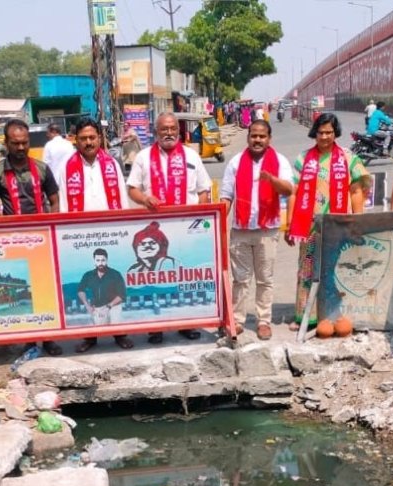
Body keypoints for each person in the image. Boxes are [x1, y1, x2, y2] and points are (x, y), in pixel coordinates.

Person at [126, 111, 211, 344]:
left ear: (178, 130)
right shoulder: (143, 157)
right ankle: (156, 326)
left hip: (186, 230)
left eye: (173, 128)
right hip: (157, 231)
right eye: (164, 129)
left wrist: (198, 220)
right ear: (156, 132)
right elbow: (131, 188)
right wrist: (144, 199)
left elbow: (204, 190)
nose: (169, 133)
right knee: (156, 276)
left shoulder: (192, 156)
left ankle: (187, 323)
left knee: (183, 275)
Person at [284, 112, 370, 329]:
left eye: (329, 133)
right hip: (310, 225)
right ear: (315, 132)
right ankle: (305, 316)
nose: (325, 137)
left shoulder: (349, 158)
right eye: (321, 132)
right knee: (307, 269)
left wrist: (358, 221)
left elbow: (357, 190)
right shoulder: (303, 158)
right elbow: (293, 192)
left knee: (337, 269)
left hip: (338, 225)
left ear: (335, 133)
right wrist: (289, 224)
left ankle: (335, 315)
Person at [0, 118, 62, 356]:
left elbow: (55, 200)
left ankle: (48, 337)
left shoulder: (41, 168)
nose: (20, 148)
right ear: (6, 143)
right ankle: (30, 339)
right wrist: (6, 234)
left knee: (47, 289)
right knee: (24, 292)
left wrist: (51, 224)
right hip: (16, 243)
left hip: (43, 241)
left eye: (24, 143)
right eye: (15, 143)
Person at [57, 117, 133, 352]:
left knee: (112, 286)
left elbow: (122, 198)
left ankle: (119, 333)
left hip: (110, 233)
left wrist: (123, 230)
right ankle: (90, 336)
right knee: (91, 288)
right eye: (83, 139)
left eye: (92, 137)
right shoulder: (66, 168)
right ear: (75, 141)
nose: (88, 142)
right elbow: (62, 205)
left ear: (99, 138)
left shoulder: (111, 164)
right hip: (81, 236)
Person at [219, 119, 294, 340]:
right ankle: (238, 320)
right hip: (240, 230)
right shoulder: (235, 162)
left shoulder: (279, 161)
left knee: (265, 279)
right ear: (248, 137)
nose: (257, 139)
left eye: (262, 136)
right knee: (240, 279)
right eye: (254, 135)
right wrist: (219, 225)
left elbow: (289, 189)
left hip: (267, 231)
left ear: (269, 139)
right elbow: (226, 196)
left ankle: (263, 321)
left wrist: (272, 180)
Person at [74, 248, 130, 353]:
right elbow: (80, 290)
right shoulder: (88, 275)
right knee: (94, 326)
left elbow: (122, 295)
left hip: (114, 305)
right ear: (94, 261)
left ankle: (120, 338)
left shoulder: (115, 274)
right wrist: (87, 305)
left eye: (103, 260)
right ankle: (90, 341)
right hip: (97, 307)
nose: (101, 263)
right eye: (98, 260)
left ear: (107, 260)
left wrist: (109, 306)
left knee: (116, 322)